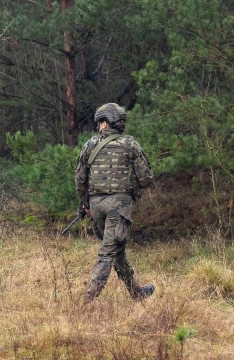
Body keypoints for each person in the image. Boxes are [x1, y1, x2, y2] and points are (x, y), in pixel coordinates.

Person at [75, 102, 154, 303]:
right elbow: (146, 178)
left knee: (116, 250)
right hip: (118, 208)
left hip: (96, 206)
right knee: (108, 253)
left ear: (104, 123)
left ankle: (136, 292)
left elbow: (80, 179)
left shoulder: (90, 145)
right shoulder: (130, 144)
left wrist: (86, 203)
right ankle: (87, 302)